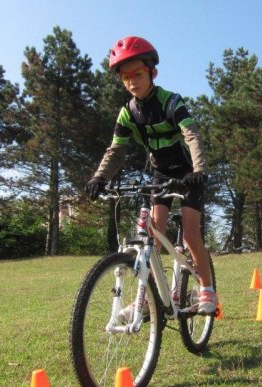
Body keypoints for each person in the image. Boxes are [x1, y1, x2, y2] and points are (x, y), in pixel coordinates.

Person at [85, 36, 216, 314]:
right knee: (152, 236)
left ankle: (206, 290)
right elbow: (116, 151)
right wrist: (100, 177)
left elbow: (191, 135)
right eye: (125, 78)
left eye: (138, 74)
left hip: (187, 173)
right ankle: (147, 298)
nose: (132, 81)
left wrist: (199, 170)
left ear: (152, 72)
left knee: (191, 235)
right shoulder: (127, 113)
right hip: (160, 174)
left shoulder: (171, 102)